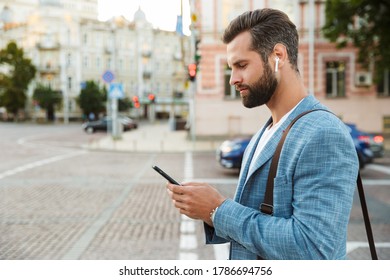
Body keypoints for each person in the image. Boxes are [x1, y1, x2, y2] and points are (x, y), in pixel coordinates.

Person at [166, 8, 359, 260]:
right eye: (231, 68)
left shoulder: (322, 134)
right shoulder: (265, 132)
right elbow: (260, 217)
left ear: (278, 56)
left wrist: (217, 209)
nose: (233, 79)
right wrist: (206, 209)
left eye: (241, 65)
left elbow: (314, 250)